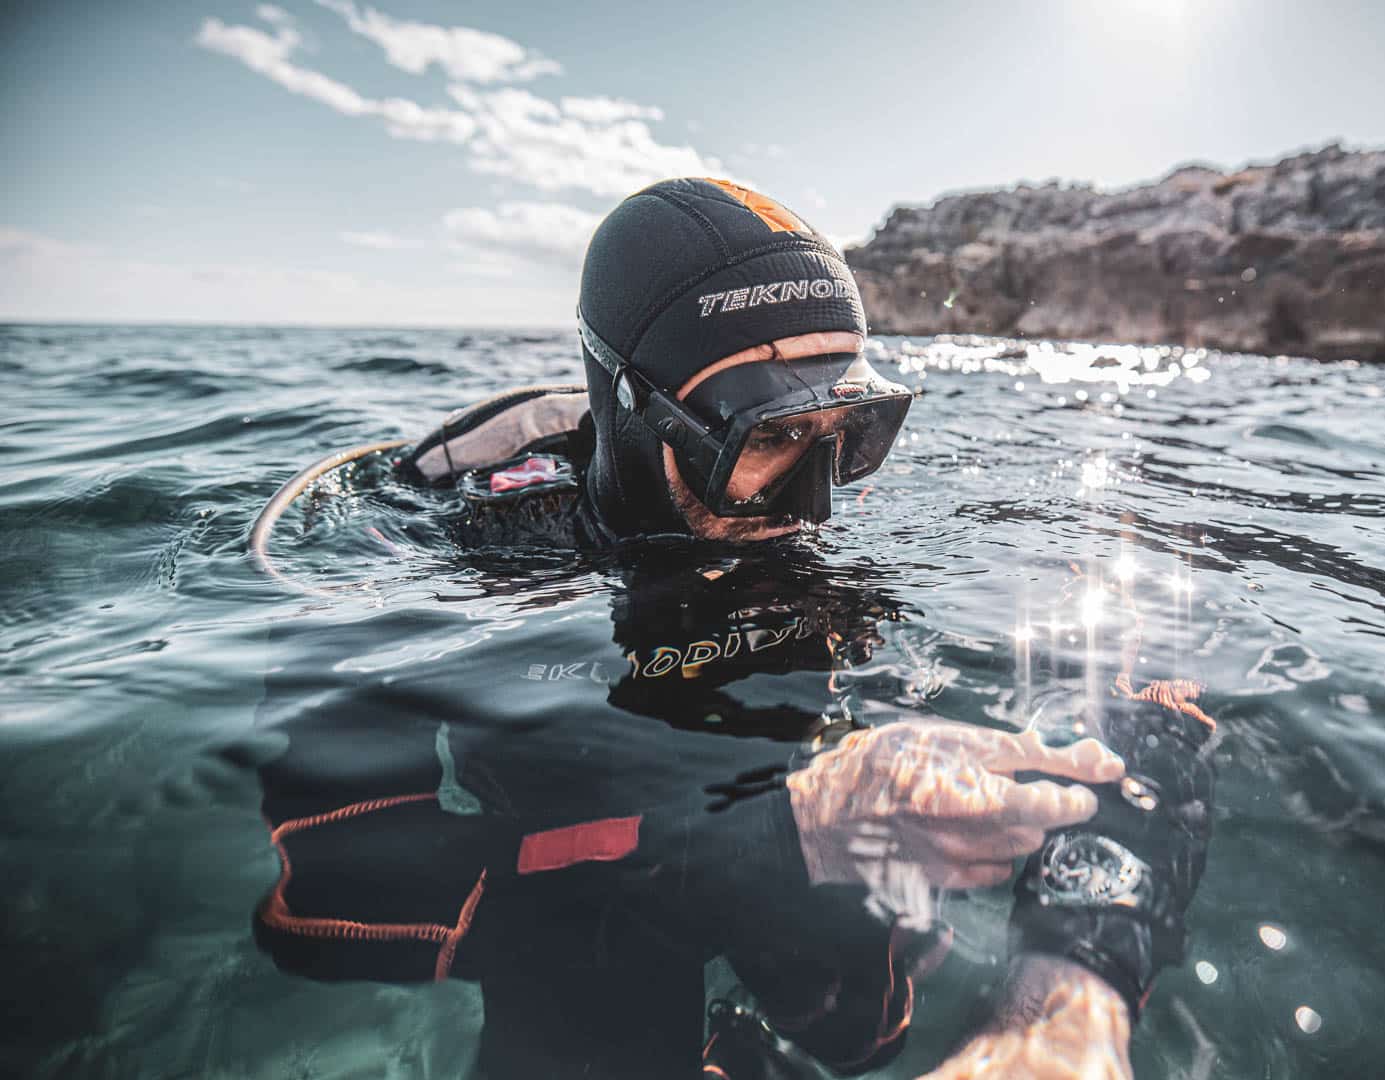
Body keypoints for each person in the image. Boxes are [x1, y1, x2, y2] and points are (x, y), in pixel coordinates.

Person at [249, 178, 1216, 1078]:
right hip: (575, 864)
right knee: (592, 1020)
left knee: (862, 1026)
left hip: (788, 829)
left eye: (845, 433)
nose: (816, 509)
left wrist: (1070, 999)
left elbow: (1135, 670)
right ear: (636, 412)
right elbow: (325, 902)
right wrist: (772, 843)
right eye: (772, 435)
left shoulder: (836, 524)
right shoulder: (454, 535)